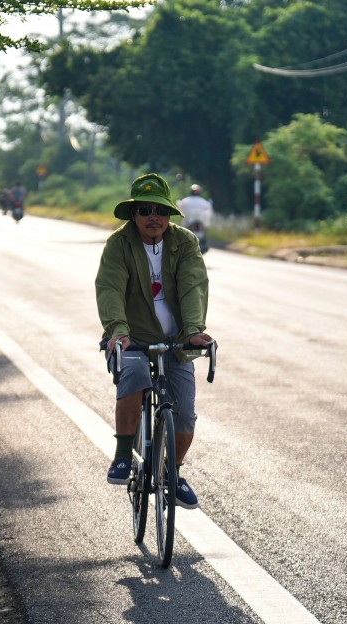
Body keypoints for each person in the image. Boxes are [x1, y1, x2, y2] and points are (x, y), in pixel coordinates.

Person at [95, 173, 214, 510]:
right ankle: (121, 455)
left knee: (186, 414)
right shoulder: (119, 244)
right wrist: (118, 331)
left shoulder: (185, 242)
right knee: (133, 377)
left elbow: (193, 284)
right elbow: (110, 288)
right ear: (134, 214)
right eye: (145, 210)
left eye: (160, 210)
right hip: (133, 339)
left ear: (169, 215)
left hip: (177, 340)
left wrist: (193, 330)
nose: (153, 218)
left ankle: (173, 473)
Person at [176, 183, 213, 253]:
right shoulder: (204, 202)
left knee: (180, 234)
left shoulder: (185, 201)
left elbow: (179, 209)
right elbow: (209, 213)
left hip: (189, 224)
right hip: (198, 225)